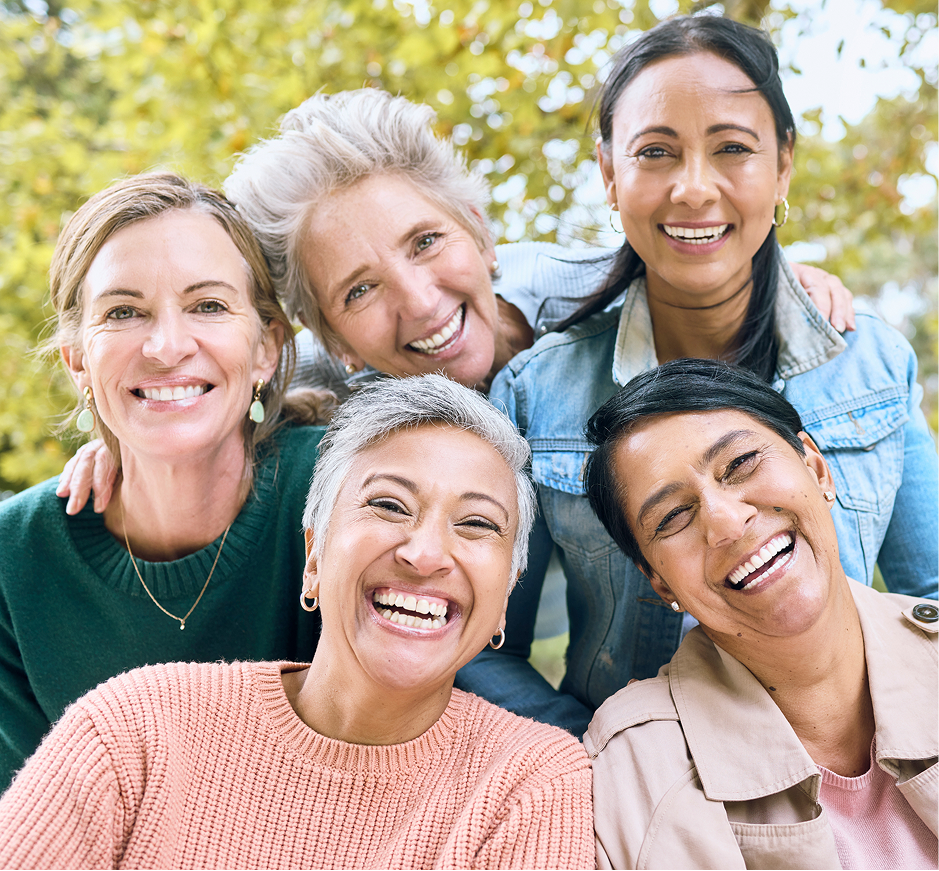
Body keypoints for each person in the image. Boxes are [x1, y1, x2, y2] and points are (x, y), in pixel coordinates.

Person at [458, 14, 939, 737]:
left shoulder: (868, 361)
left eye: (731, 149)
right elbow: (486, 643)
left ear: (781, 166)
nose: (692, 188)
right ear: (608, 175)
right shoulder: (535, 393)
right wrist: (595, 758)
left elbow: (927, 590)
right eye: (655, 152)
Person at [58, 87, 852, 501]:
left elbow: (710, 252)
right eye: (360, 288)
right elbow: (214, 399)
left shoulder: (608, 291)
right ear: (330, 335)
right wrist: (127, 446)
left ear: (476, 229)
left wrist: (779, 279)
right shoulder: (333, 396)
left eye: (427, 242)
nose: (420, 300)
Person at [0, 374, 594, 871]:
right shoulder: (135, 728)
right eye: (388, 505)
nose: (426, 552)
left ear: (506, 600)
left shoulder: (531, 784)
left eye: (477, 524)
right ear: (313, 556)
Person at [0, 172, 334, 791]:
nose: (166, 346)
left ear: (266, 347)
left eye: (207, 305)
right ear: (78, 362)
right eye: (124, 312)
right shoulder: (13, 558)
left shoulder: (343, 494)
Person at [582, 358, 939, 870]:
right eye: (674, 516)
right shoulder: (627, 775)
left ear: (817, 469)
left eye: (741, 464)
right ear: (659, 581)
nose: (727, 523)